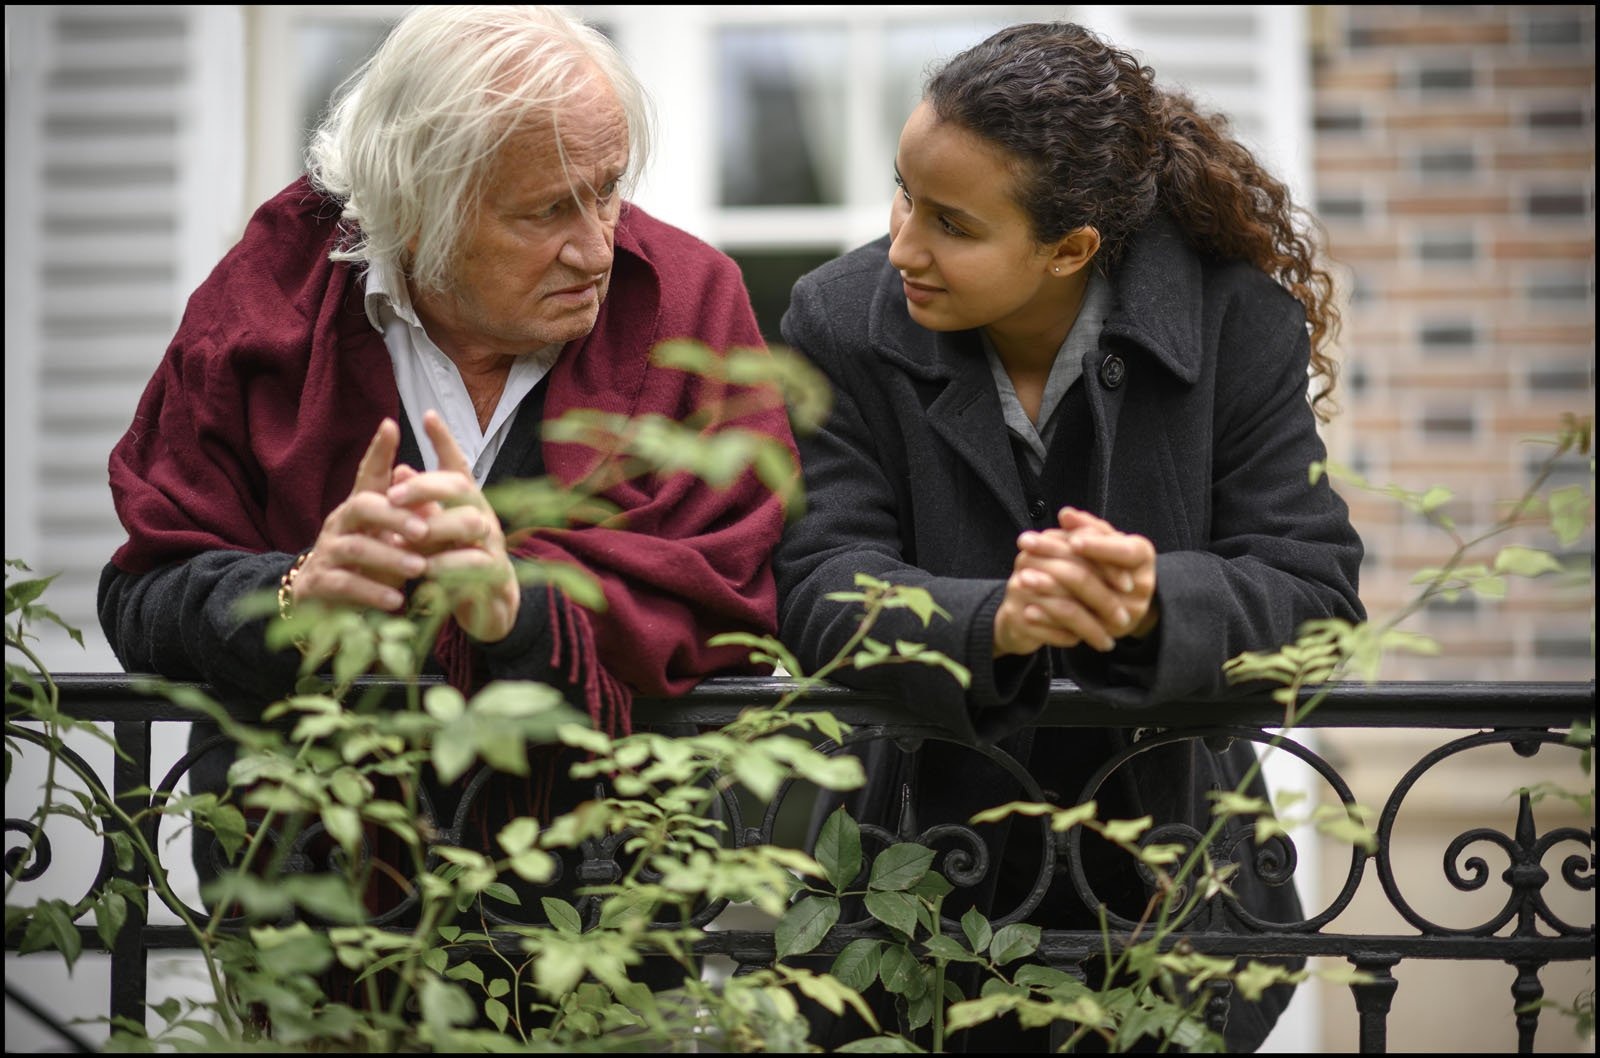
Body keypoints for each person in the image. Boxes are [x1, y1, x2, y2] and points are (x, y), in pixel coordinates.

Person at [98, 2, 793, 1018]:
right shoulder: (266, 299)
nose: (595, 247)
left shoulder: (685, 300)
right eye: (545, 211)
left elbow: (728, 590)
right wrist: (292, 594)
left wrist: (521, 607)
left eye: (606, 192)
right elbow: (142, 593)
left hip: (599, 927)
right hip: (310, 926)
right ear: (414, 206)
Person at [773, 22, 1365, 1053]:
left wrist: (1151, 602)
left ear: (1069, 248)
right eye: (903, 192)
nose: (903, 244)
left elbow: (1312, 595)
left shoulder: (1238, 325)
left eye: (951, 222)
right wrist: (991, 619)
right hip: (903, 910)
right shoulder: (836, 319)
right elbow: (817, 584)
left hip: (1177, 918)